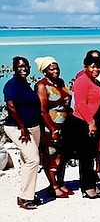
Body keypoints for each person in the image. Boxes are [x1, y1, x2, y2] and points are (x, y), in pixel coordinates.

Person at [4, 57, 43, 209]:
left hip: (33, 127)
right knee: (33, 160)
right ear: (14, 68)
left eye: (25, 66)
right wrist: (22, 126)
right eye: (20, 66)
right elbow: (11, 106)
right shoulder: (12, 85)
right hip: (18, 128)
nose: (23, 68)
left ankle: (28, 193)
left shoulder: (25, 84)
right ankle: (25, 197)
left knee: (28, 160)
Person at [34, 56, 73, 198]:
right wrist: (52, 129)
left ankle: (60, 182)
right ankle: (54, 186)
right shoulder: (42, 86)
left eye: (57, 68)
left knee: (61, 156)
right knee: (51, 156)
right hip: (50, 127)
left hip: (64, 126)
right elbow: (42, 110)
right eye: (52, 69)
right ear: (45, 71)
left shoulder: (60, 83)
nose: (56, 71)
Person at [70, 52, 100, 198]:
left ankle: (92, 183)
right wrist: (90, 122)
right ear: (85, 67)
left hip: (93, 121)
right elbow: (80, 103)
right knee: (85, 156)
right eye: (92, 67)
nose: (96, 69)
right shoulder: (82, 81)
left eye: (98, 66)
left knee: (91, 154)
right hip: (83, 122)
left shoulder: (94, 81)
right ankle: (87, 186)